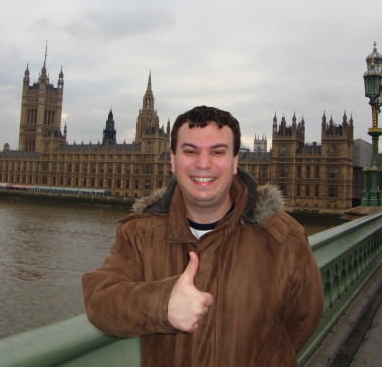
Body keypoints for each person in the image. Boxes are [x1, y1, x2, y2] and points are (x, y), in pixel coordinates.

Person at [82, 105, 324, 367]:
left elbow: (304, 320)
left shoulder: (284, 236)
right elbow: (100, 302)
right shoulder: (138, 232)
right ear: (172, 160)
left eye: (218, 151)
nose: (203, 163)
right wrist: (163, 304)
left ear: (235, 161)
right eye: (190, 151)